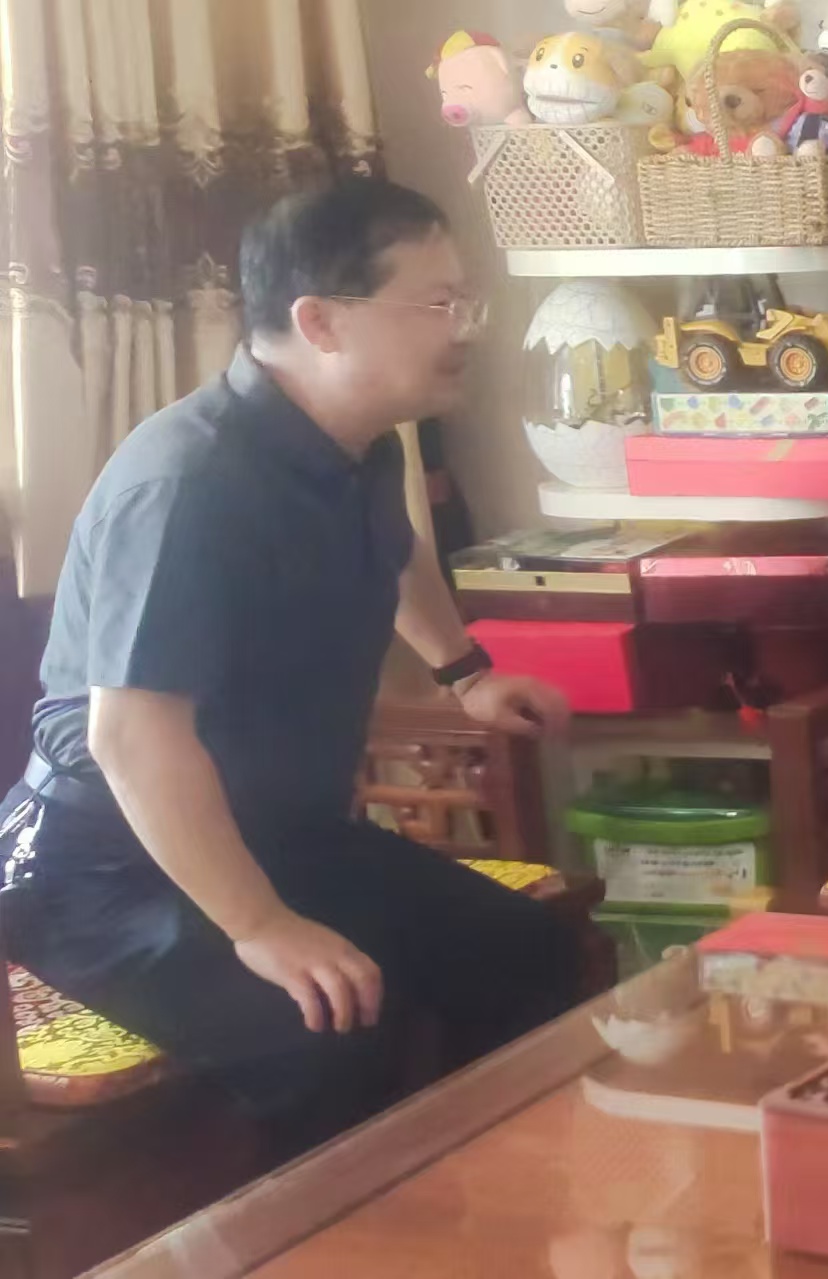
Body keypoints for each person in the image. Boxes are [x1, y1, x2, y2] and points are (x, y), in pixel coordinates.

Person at [0, 180, 581, 1154]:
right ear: (320, 322)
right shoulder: (191, 485)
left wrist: (466, 674)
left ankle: (500, 1203)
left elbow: (395, 552)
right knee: (327, 1029)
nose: (464, 329)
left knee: (525, 954)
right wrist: (262, 926)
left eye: (463, 300)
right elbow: (132, 737)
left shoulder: (359, 447)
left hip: (280, 834)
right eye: (437, 304)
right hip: (106, 869)